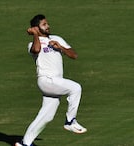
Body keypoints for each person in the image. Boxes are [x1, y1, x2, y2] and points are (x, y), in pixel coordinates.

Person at [15, 14, 87, 146]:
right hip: (46, 80)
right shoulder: (32, 43)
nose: (48, 26)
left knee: (46, 116)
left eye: (47, 24)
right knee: (76, 88)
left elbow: (74, 55)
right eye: (44, 24)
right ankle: (70, 122)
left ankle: (25, 143)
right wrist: (36, 34)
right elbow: (36, 50)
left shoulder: (56, 39)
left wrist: (60, 48)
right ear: (36, 28)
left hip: (55, 83)